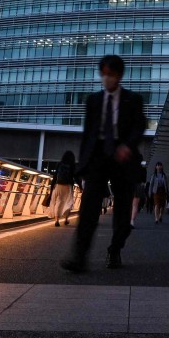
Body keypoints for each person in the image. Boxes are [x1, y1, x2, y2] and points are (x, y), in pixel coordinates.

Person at [62, 55, 146, 272]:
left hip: (123, 158)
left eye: (111, 74)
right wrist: (82, 168)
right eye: (103, 74)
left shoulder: (133, 100)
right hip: (98, 157)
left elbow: (140, 126)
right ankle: (79, 257)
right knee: (89, 207)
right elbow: (87, 135)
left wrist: (127, 145)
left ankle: (115, 249)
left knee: (123, 211)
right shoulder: (93, 100)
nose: (106, 78)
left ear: (119, 75)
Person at [49, 151, 78, 227]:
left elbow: (55, 176)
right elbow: (75, 176)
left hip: (59, 184)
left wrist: (51, 188)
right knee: (69, 202)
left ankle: (57, 220)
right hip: (68, 185)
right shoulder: (72, 165)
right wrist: (80, 186)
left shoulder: (59, 164)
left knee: (59, 201)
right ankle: (66, 219)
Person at [131, 164, 148, 229]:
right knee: (135, 205)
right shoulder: (142, 166)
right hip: (138, 185)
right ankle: (132, 221)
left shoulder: (127, 163)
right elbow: (144, 179)